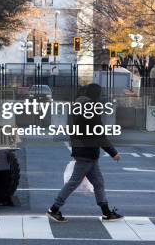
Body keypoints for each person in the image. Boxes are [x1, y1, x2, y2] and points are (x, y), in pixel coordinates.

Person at [46, 83, 123, 223]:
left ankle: (106, 213)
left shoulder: (79, 106)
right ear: (96, 95)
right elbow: (99, 134)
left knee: (98, 183)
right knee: (73, 183)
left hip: (86, 152)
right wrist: (113, 153)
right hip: (86, 153)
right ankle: (54, 209)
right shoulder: (91, 109)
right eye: (100, 94)